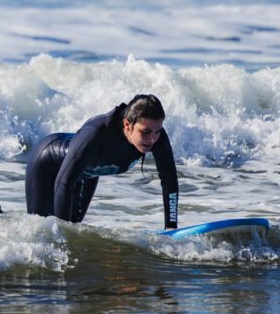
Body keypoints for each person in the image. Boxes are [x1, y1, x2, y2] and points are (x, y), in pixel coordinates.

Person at [25, 94, 179, 229]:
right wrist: (63, 235)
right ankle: (2, 224)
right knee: (41, 230)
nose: (152, 139)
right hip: (48, 164)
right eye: (145, 132)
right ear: (127, 125)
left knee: (74, 229)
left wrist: (171, 227)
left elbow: (169, 180)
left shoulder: (155, 136)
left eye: (157, 132)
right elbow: (64, 182)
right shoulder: (96, 134)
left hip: (88, 174)